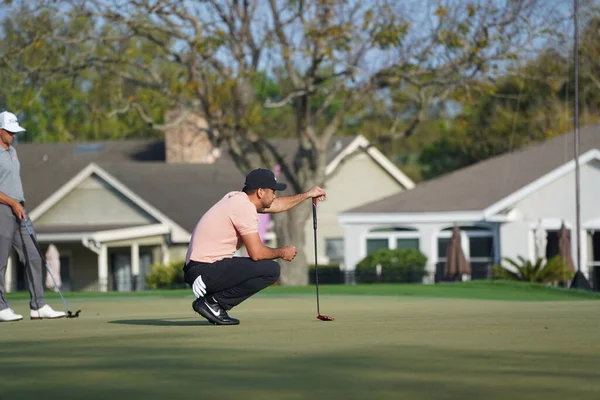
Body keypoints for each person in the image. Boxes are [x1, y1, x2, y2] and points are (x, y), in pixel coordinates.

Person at [183, 168, 326, 325]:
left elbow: (276, 205)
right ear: (260, 192)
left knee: (264, 268)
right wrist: (282, 252)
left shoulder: (237, 199)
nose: (275, 195)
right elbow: (256, 253)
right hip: (205, 270)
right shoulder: (243, 208)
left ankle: (213, 303)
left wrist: (307, 195)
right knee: (270, 270)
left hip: (202, 268)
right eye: (273, 191)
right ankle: (214, 303)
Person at [0, 111, 66, 322]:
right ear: (0, 130)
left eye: (15, 131)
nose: (14, 135)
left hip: (20, 209)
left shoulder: (12, 151)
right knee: (1, 260)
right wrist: (11, 202)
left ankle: (38, 305)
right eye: (10, 131)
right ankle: (1, 307)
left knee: (34, 255)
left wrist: (18, 204)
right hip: (2, 208)